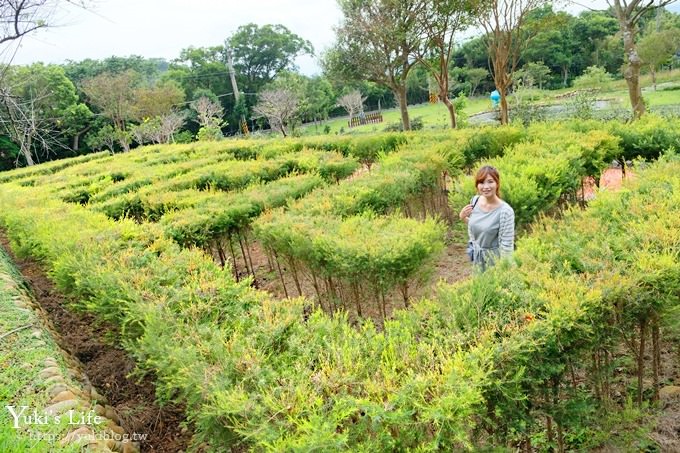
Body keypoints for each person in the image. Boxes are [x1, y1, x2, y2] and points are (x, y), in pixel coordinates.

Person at [458, 166, 515, 271]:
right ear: (477, 185)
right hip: (477, 258)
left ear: (497, 184)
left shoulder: (505, 211)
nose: (486, 186)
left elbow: (507, 245)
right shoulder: (475, 201)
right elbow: (479, 226)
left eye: (490, 182)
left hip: (495, 262)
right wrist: (463, 217)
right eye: (481, 182)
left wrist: (506, 270)